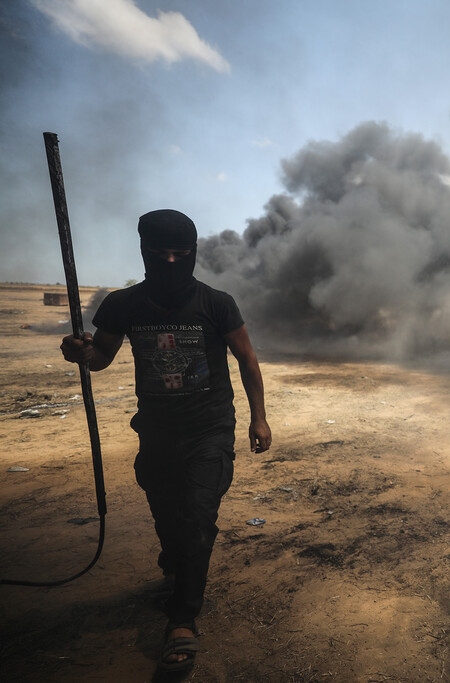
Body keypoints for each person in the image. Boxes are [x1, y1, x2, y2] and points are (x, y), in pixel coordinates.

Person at [60, 209, 271, 673]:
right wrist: (82, 351)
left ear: (194, 253)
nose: (172, 261)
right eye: (161, 254)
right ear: (144, 252)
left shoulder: (217, 303)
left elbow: (248, 361)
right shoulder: (123, 304)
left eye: (182, 253)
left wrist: (258, 418)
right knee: (167, 512)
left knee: (197, 517)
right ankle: (176, 564)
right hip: (156, 430)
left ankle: (182, 619)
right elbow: (100, 359)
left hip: (209, 429)